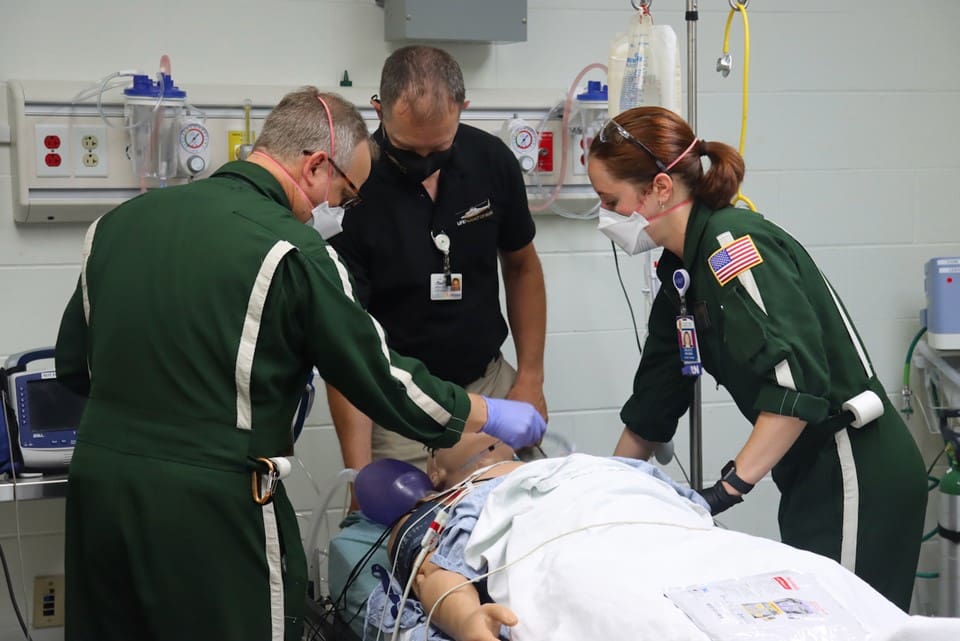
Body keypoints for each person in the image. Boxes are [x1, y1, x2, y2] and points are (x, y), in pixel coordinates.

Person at [54, 87, 546, 641]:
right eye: (346, 194)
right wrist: (486, 414)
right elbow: (380, 378)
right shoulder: (292, 251)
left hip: (99, 487)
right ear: (315, 166)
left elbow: (73, 367)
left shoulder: (115, 226)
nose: (340, 210)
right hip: (214, 501)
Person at [586, 105, 927, 610]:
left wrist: (723, 491)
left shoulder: (732, 248)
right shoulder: (680, 274)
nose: (606, 218)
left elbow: (796, 391)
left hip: (855, 465)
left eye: (610, 201)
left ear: (659, 188)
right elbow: (653, 403)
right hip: (809, 474)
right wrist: (601, 498)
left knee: (847, 625)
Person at [327, 45, 548, 474]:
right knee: (405, 515)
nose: (426, 163)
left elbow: (522, 267)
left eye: (440, 148)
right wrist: (359, 475)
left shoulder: (492, 161)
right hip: (398, 402)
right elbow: (344, 342)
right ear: (379, 110)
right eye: (410, 150)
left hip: (489, 386)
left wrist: (530, 378)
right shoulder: (352, 188)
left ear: (462, 109)